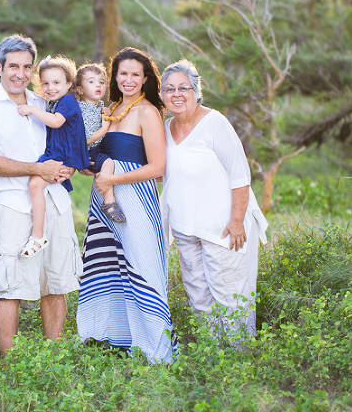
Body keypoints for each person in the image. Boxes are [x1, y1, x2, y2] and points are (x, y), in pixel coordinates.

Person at [0, 34, 82, 356]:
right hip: (12, 205)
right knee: (10, 285)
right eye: (13, 66)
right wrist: (37, 169)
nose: (20, 73)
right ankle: (10, 364)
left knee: (55, 284)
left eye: (27, 67)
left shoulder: (46, 104)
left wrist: (69, 166)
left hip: (54, 202)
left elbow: (66, 142)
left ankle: (53, 358)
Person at [76, 47, 177, 363]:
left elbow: (157, 167)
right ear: (114, 77)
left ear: (145, 78)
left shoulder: (148, 112)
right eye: (123, 73)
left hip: (135, 199)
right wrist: (86, 165)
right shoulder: (111, 109)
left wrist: (112, 181)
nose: (129, 79)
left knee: (143, 267)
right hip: (103, 201)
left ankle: (155, 351)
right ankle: (111, 339)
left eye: (136, 74)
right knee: (106, 266)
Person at [159, 59, 268, 342]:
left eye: (184, 88)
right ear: (162, 96)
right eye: (169, 89)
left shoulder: (214, 122)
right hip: (186, 228)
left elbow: (240, 174)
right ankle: (212, 356)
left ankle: (239, 359)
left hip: (222, 228)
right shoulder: (167, 128)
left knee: (230, 295)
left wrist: (236, 221)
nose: (177, 94)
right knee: (198, 296)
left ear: (196, 91)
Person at [18, 56, 89, 257]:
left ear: (69, 83)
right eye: (46, 83)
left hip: (61, 154)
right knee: (36, 186)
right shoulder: (55, 102)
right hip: (58, 152)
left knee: (34, 185)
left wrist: (31, 110)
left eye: (57, 83)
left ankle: (38, 235)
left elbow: (56, 122)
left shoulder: (66, 101)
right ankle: (39, 233)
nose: (51, 87)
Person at [74, 63, 124, 222]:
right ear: (80, 90)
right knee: (108, 164)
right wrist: (104, 129)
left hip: (95, 149)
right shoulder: (83, 110)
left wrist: (106, 112)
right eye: (91, 82)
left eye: (101, 82)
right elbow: (85, 140)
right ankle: (109, 202)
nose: (98, 85)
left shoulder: (97, 105)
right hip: (88, 151)